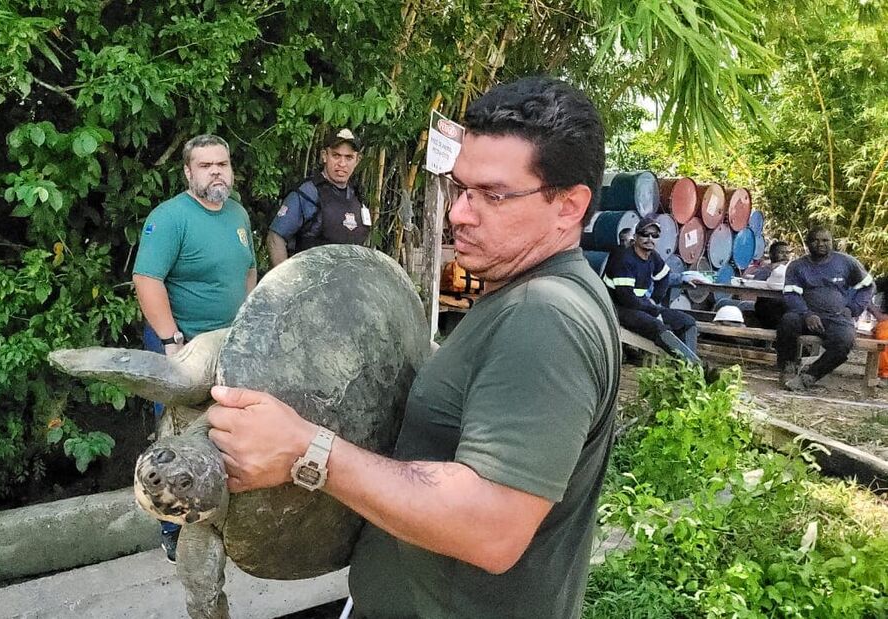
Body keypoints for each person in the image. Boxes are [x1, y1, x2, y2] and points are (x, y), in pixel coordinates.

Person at [206, 76, 620, 618]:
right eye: (460, 188)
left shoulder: (544, 317)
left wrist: (306, 450)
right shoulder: (531, 294)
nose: (459, 214)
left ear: (569, 206)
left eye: (492, 195)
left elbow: (491, 528)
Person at [132, 134, 257, 562]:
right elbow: (147, 280)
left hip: (230, 342)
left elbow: (248, 274)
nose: (217, 171)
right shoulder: (170, 218)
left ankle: (222, 514)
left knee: (227, 429)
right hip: (183, 345)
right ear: (188, 172)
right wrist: (169, 340)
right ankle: (175, 529)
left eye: (222, 163)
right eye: (206, 166)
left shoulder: (238, 214)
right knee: (177, 437)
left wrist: (250, 325)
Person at [776, 226, 873, 391]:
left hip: (836, 318)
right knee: (787, 321)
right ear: (807, 244)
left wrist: (853, 308)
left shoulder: (847, 262)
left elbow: (868, 286)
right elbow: (792, 294)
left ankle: (809, 376)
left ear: (832, 242)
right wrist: (807, 314)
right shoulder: (797, 266)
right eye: (815, 240)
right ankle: (788, 368)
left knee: (844, 342)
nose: (820, 244)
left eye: (825, 240)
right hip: (805, 316)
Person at [602, 214, 700, 362]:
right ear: (635, 237)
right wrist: (653, 310)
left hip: (641, 305)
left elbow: (664, 277)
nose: (650, 239)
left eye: (655, 235)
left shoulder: (653, 256)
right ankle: (695, 367)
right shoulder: (624, 259)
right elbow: (626, 298)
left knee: (687, 322)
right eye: (645, 234)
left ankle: (688, 368)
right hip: (617, 307)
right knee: (658, 327)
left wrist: (655, 300)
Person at [266, 128, 370, 266]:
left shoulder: (357, 195)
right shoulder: (308, 193)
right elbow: (275, 238)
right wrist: (289, 284)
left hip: (348, 284)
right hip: (311, 283)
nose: (342, 164)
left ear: (357, 160)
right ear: (324, 156)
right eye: (336, 155)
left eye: (349, 157)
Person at [749, 240, 792, 328]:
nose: (785, 255)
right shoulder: (765, 269)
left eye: (787, 253)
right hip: (767, 308)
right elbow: (756, 282)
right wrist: (772, 269)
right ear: (771, 255)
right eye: (781, 252)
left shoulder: (793, 270)